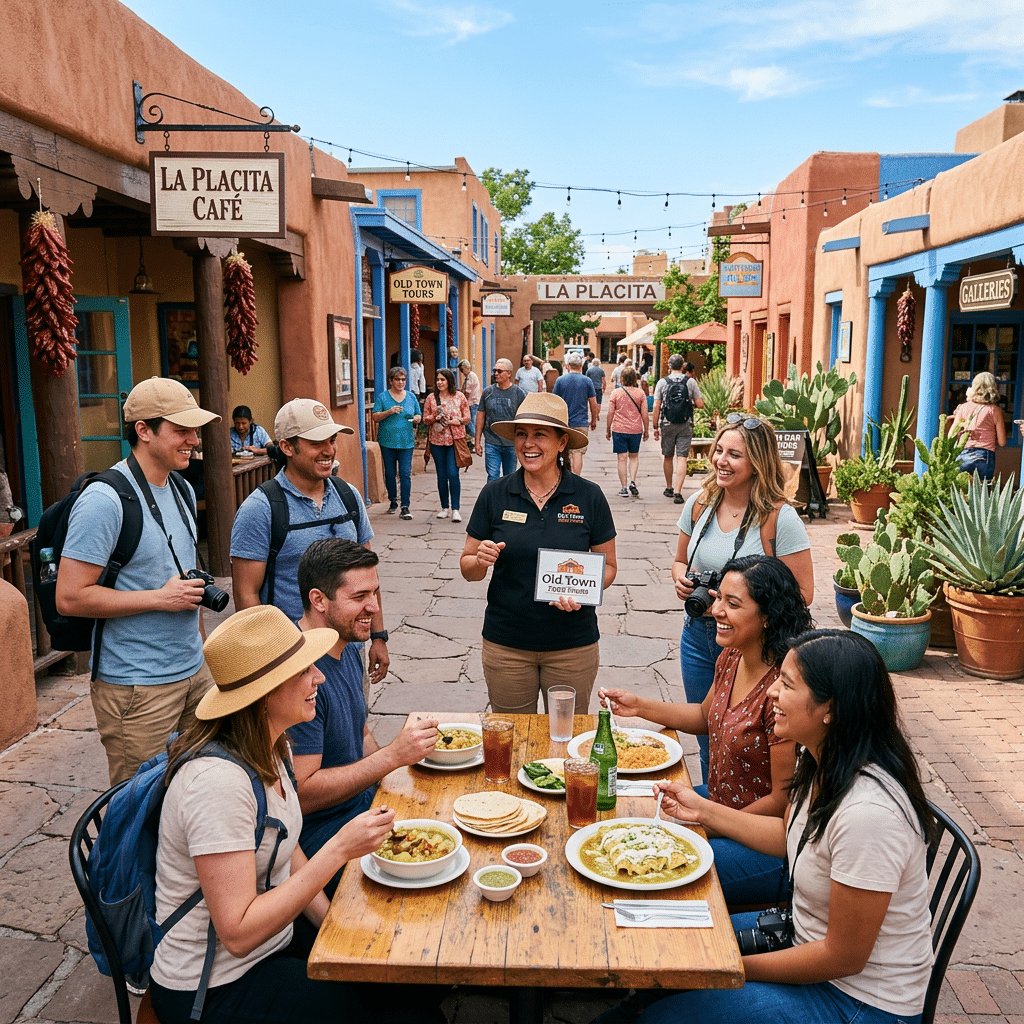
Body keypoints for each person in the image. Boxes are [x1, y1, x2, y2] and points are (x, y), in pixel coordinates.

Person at [150, 604, 446, 1024]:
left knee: (406, 976)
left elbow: (286, 846)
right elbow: (237, 933)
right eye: (305, 670)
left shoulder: (274, 744)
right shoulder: (216, 784)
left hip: (273, 945)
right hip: (216, 986)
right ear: (265, 693)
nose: (320, 677)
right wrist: (339, 850)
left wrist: (333, 927)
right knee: (410, 1016)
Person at [628, 630, 935, 1024]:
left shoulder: (870, 815)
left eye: (786, 684)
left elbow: (842, 957)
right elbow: (792, 839)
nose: (771, 692)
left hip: (855, 1001)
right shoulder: (819, 755)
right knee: (664, 954)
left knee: (669, 1008)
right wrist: (703, 811)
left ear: (832, 708)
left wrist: (729, 968)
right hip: (799, 936)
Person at [600, 555, 812, 907]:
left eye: (733, 603)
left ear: (767, 617)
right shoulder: (733, 655)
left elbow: (781, 802)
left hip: (765, 844)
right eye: (718, 598)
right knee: (621, 813)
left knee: (649, 877)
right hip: (717, 803)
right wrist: (638, 705)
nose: (715, 611)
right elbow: (704, 715)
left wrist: (707, 823)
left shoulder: (781, 692)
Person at [56, 377, 219, 785]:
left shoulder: (179, 485)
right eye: (181, 430)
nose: (193, 440)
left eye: (194, 430)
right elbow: (71, 598)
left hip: (192, 672)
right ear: (143, 431)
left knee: (193, 792)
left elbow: (182, 583)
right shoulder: (104, 500)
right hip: (136, 687)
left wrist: (199, 647)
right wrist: (159, 599)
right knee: (136, 808)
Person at [290, 540, 439, 894]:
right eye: (359, 597)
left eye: (375, 592)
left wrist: (401, 767)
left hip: (361, 810)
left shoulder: (346, 646)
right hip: (322, 838)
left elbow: (359, 733)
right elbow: (302, 793)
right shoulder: (298, 673)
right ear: (318, 600)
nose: (373, 607)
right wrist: (392, 756)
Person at [672, 414, 813, 783]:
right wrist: (682, 580)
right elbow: (679, 561)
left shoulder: (779, 517)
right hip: (699, 636)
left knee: (759, 743)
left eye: (734, 455)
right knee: (710, 734)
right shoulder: (700, 503)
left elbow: (804, 593)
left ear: (757, 464)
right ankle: (711, 806)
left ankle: (750, 819)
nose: (721, 460)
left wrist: (743, 600)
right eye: (718, 450)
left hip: (755, 646)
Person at [460, 393, 617, 715]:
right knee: (513, 738)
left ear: (562, 443)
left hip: (573, 645)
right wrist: (479, 560)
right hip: (507, 645)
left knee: (567, 738)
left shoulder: (589, 496)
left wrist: (585, 590)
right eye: (521, 434)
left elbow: (610, 566)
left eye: (539, 435)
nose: (528, 444)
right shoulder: (495, 494)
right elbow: (468, 567)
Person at [230, 398, 390, 690]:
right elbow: (246, 595)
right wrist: (268, 661)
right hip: (292, 656)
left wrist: (378, 636)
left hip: (348, 649)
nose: (329, 450)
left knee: (354, 730)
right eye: (317, 442)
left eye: (331, 439)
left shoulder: (348, 496)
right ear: (287, 447)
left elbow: (370, 578)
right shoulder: (262, 508)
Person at [370, 366, 422, 520]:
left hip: (406, 442)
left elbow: (418, 413)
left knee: (405, 473)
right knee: (390, 474)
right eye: (397, 379)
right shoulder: (383, 397)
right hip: (387, 441)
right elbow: (375, 417)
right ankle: (393, 501)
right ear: (390, 381)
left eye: (403, 379)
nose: (401, 382)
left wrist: (418, 418)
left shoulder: (411, 397)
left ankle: (405, 506)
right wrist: (389, 412)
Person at [652, 356, 704, 503]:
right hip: (685, 423)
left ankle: (668, 487)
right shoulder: (690, 381)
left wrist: (655, 426)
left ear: (669, 366)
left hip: (667, 423)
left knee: (668, 456)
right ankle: (678, 492)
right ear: (683, 367)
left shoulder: (662, 382)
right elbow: (700, 404)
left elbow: (656, 405)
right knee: (682, 457)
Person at [422, 368, 471, 522]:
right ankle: (444, 507)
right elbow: (425, 419)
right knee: (441, 476)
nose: (439, 382)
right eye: (438, 380)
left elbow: (467, 417)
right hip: (436, 442)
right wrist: (434, 416)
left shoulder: (459, 396)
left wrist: (456, 421)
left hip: (454, 441)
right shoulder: (431, 398)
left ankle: (456, 508)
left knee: (452, 473)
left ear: (449, 380)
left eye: (443, 379)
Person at [475, 358, 526, 481]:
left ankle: (508, 500)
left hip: (511, 443)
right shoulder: (488, 392)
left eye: (499, 371)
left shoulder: (518, 393)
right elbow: (481, 415)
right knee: (493, 476)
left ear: (509, 373)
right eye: (494, 371)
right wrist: (477, 441)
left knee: (510, 477)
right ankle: (492, 500)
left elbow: (524, 418)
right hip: (492, 442)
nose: (496, 374)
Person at [952, 370, 1007, 481]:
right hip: (985, 455)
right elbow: (1002, 442)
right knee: (982, 493)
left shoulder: (963, 407)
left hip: (964, 453)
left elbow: (952, 433)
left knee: (962, 493)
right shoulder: (995, 410)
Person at [552, 350, 599, 475]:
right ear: (581, 365)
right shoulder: (587, 381)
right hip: (581, 422)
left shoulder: (560, 381)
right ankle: (576, 480)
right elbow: (593, 403)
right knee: (577, 452)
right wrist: (594, 419)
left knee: (564, 451)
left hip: (564, 422)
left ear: (568, 365)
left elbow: (554, 401)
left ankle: (565, 478)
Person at [605, 366, 649, 497]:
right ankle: (633, 481)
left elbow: (610, 413)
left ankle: (623, 488)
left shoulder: (616, 393)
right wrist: (646, 430)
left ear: (622, 378)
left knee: (622, 458)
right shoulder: (640, 393)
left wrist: (608, 429)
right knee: (634, 456)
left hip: (619, 429)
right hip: (635, 430)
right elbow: (645, 414)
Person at [458, 358, 482, 441]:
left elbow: (467, 392)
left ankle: (474, 439)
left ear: (465, 368)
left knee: (470, 422)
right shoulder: (469, 376)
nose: (462, 372)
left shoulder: (470, 376)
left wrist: (462, 401)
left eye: (462, 370)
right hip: (473, 401)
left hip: (472, 402)